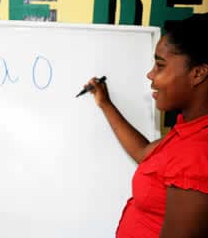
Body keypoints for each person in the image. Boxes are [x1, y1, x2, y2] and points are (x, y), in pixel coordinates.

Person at [85, 13, 208, 237]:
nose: (150, 74)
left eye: (160, 66)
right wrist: (105, 104)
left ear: (198, 73)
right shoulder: (190, 130)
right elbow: (145, 153)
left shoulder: (196, 153)